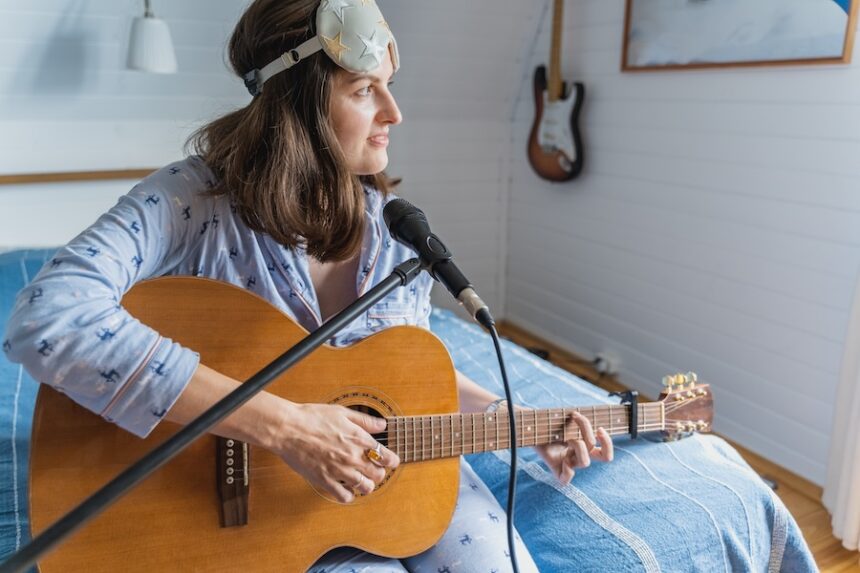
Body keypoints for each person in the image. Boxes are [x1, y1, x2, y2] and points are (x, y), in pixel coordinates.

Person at [2, 0, 613, 570]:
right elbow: (47, 318)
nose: (394, 114)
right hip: (229, 505)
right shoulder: (190, 199)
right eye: (364, 90)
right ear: (296, 103)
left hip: (384, 474)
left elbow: (400, 374)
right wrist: (284, 426)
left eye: (389, 86)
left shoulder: (394, 226)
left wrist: (513, 419)